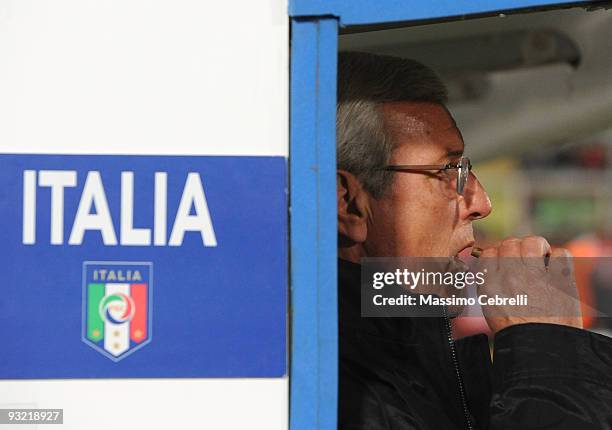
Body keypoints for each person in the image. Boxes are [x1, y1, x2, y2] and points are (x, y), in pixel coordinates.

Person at [336, 51, 612, 429]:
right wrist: (547, 349)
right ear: (348, 202)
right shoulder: (343, 390)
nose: (482, 204)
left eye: (465, 170)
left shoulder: (386, 358)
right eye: (448, 171)